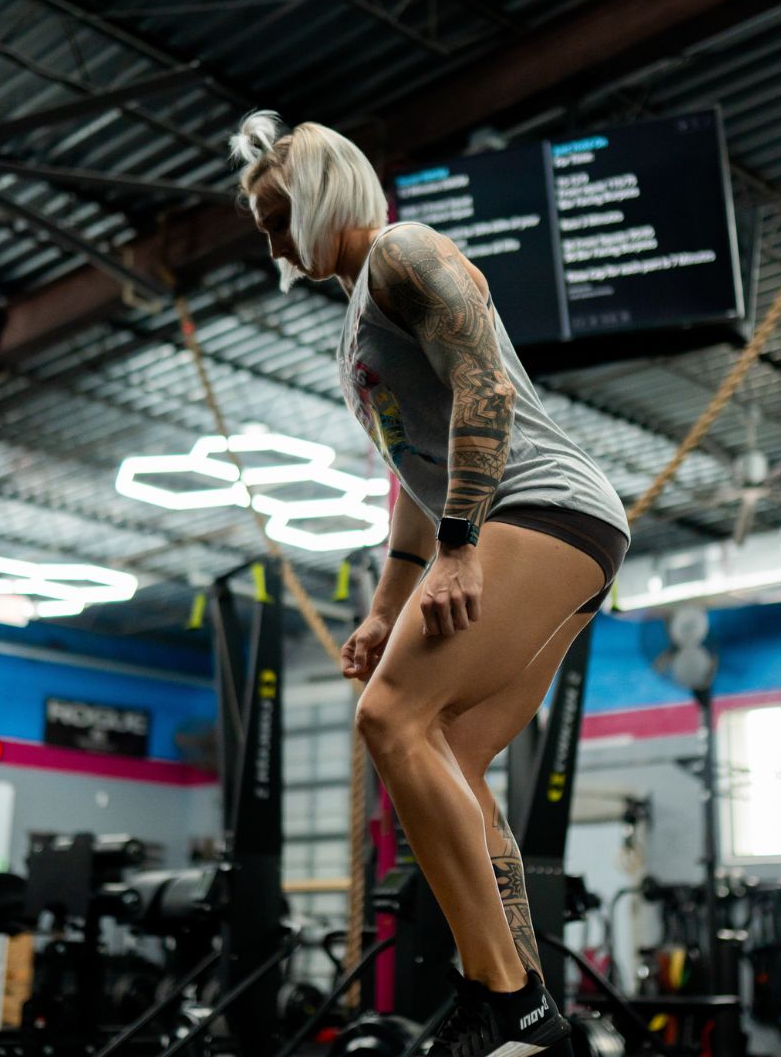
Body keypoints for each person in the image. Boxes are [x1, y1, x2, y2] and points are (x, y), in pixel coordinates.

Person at [230, 110, 630, 1057]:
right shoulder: (359, 316)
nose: (275, 243)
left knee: (386, 719)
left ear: (324, 192)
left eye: (279, 218)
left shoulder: (405, 253)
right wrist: (383, 604)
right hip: (521, 519)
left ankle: (506, 997)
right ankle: (537, 1029)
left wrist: (459, 548)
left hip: (544, 508)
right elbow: (414, 460)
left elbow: (484, 390)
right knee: (444, 749)